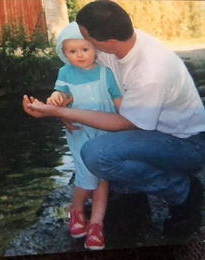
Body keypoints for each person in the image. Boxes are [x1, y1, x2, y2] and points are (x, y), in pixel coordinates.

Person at [23, 0, 205, 237]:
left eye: (87, 38)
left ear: (106, 42)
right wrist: (62, 101)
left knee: (97, 154)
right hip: (151, 133)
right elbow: (80, 75)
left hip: (185, 144)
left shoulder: (151, 71)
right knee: (103, 145)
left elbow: (126, 124)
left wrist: (62, 113)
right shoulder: (118, 46)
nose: (83, 41)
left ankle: (183, 191)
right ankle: (130, 199)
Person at [45, 21, 122, 250]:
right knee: (88, 176)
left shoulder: (105, 73)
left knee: (102, 177)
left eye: (84, 49)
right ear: (64, 53)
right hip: (79, 131)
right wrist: (55, 99)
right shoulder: (65, 72)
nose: (79, 55)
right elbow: (60, 93)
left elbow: (119, 101)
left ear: (95, 49)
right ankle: (77, 209)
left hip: (105, 130)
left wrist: (131, 120)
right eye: (72, 51)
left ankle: (96, 224)